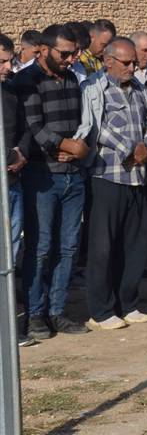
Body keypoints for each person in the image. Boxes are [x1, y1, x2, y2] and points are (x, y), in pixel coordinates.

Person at [77, 37, 147, 330]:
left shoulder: (139, 89)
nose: (132, 68)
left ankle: (129, 303)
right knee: (103, 248)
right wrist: (129, 149)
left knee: (136, 244)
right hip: (107, 176)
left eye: (134, 63)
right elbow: (96, 129)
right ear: (108, 61)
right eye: (126, 63)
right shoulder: (93, 89)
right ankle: (101, 310)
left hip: (137, 176)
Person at [16, 24, 90, 340]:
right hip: (41, 176)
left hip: (73, 175)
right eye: (65, 53)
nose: (71, 59)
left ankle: (58, 311)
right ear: (44, 50)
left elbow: (81, 125)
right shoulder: (28, 81)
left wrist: (77, 149)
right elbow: (34, 127)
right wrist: (64, 146)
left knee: (69, 246)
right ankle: (35, 314)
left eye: (74, 53)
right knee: (41, 247)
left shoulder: (73, 79)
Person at [0, 33, 35, 347]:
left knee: (10, 253)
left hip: (12, 184)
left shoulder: (11, 92)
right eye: (1, 62)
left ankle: (10, 324)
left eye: (10, 60)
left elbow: (26, 128)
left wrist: (22, 153)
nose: (8, 67)